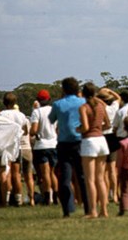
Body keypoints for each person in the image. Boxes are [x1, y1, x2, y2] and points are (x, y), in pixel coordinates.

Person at [49, 76, 89, 217]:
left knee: (65, 178)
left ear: (64, 89)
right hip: (80, 142)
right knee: (83, 177)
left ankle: (67, 208)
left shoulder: (58, 104)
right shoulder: (83, 102)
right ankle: (88, 208)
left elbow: (51, 119)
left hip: (64, 143)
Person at [78, 82, 110, 218]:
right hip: (102, 140)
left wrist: (76, 129)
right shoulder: (101, 106)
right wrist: (98, 129)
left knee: (90, 179)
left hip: (89, 141)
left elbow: (85, 127)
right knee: (100, 178)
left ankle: (93, 211)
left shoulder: (84, 107)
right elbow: (108, 124)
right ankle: (104, 210)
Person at [0, 92, 32, 206]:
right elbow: (26, 131)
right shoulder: (21, 115)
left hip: (5, 147)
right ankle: (18, 198)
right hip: (16, 146)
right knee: (16, 174)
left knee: (6, 172)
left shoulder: (1, 114)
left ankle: (6, 198)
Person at [30, 90, 59, 205]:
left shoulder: (37, 112)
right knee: (52, 173)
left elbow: (34, 130)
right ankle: (56, 196)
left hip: (42, 145)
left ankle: (47, 196)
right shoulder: (54, 111)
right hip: (54, 144)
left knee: (45, 173)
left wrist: (32, 133)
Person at [97, 88, 122, 204]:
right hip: (112, 137)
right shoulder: (114, 107)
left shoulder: (101, 108)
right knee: (112, 169)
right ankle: (115, 195)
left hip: (103, 137)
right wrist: (110, 91)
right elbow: (118, 98)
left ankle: (105, 195)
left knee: (103, 170)